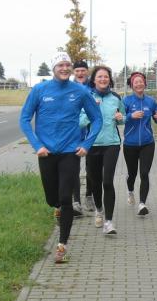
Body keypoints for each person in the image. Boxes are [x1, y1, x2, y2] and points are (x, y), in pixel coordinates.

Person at [19, 51, 102, 263]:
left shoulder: (80, 91)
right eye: (60, 65)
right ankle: (56, 208)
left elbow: (97, 119)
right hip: (46, 152)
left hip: (70, 152)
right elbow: (24, 119)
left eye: (67, 65)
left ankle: (61, 246)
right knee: (52, 199)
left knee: (66, 199)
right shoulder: (40, 90)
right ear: (53, 69)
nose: (64, 68)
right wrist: (37, 145)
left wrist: (86, 144)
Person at [81, 65, 124, 235]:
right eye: (99, 76)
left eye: (106, 76)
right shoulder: (87, 97)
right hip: (92, 144)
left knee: (107, 182)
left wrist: (121, 118)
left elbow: (122, 118)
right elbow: (80, 122)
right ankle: (99, 209)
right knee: (95, 182)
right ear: (94, 80)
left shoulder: (116, 97)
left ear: (109, 79)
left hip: (112, 144)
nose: (103, 79)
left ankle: (109, 222)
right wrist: (92, 111)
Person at [122, 71, 157, 215]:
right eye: (136, 82)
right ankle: (130, 191)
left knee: (144, 173)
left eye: (141, 82)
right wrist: (131, 115)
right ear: (132, 85)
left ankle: (142, 204)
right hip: (130, 143)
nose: (139, 84)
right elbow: (119, 118)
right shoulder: (126, 101)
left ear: (145, 84)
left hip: (147, 143)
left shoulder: (151, 101)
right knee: (132, 174)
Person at [72, 59, 90, 216]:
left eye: (83, 70)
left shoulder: (93, 87)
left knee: (92, 169)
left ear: (87, 71)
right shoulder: (68, 87)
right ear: (74, 72)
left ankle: (89, 195)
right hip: (74, 135)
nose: (80, 73)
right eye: (77, 70)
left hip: (92, 135)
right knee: (74, 169)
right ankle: (76, 202)